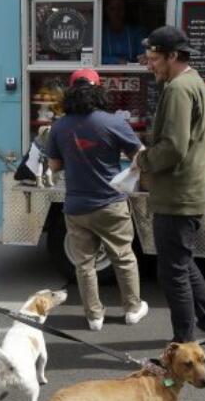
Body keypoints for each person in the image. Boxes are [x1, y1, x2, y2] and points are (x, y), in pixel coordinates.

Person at [133, 26, 205, 344]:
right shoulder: (193, 81)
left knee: (172, 273)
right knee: (181, 263)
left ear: (173, 56)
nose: (149, 64)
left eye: (154, 58)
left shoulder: (177, 89)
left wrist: (142, 160)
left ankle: (184, 344)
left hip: (177, 195)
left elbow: (172, 147)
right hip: (188, 191)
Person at [45, 68, 149, 331]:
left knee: (84, 264)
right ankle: (132, 310)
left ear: (71, 92)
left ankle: (94, 317)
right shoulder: (113, 122)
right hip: (110, 203)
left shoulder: (60, 126)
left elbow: (54, 165)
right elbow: (142, 155)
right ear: (98, 90)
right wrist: (129, 173)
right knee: (123, 257)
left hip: (76, 206)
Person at [101, 0, 146, 65]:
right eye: (112, 9)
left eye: (120, 8)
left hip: (134, 71)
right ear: (106, 10)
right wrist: (116, 61)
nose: (116, 13)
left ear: (125, 10)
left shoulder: (136, 31)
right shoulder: (100, 32)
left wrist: (144, 57)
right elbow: (95, 57)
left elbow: (143, 53)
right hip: (106, 72)